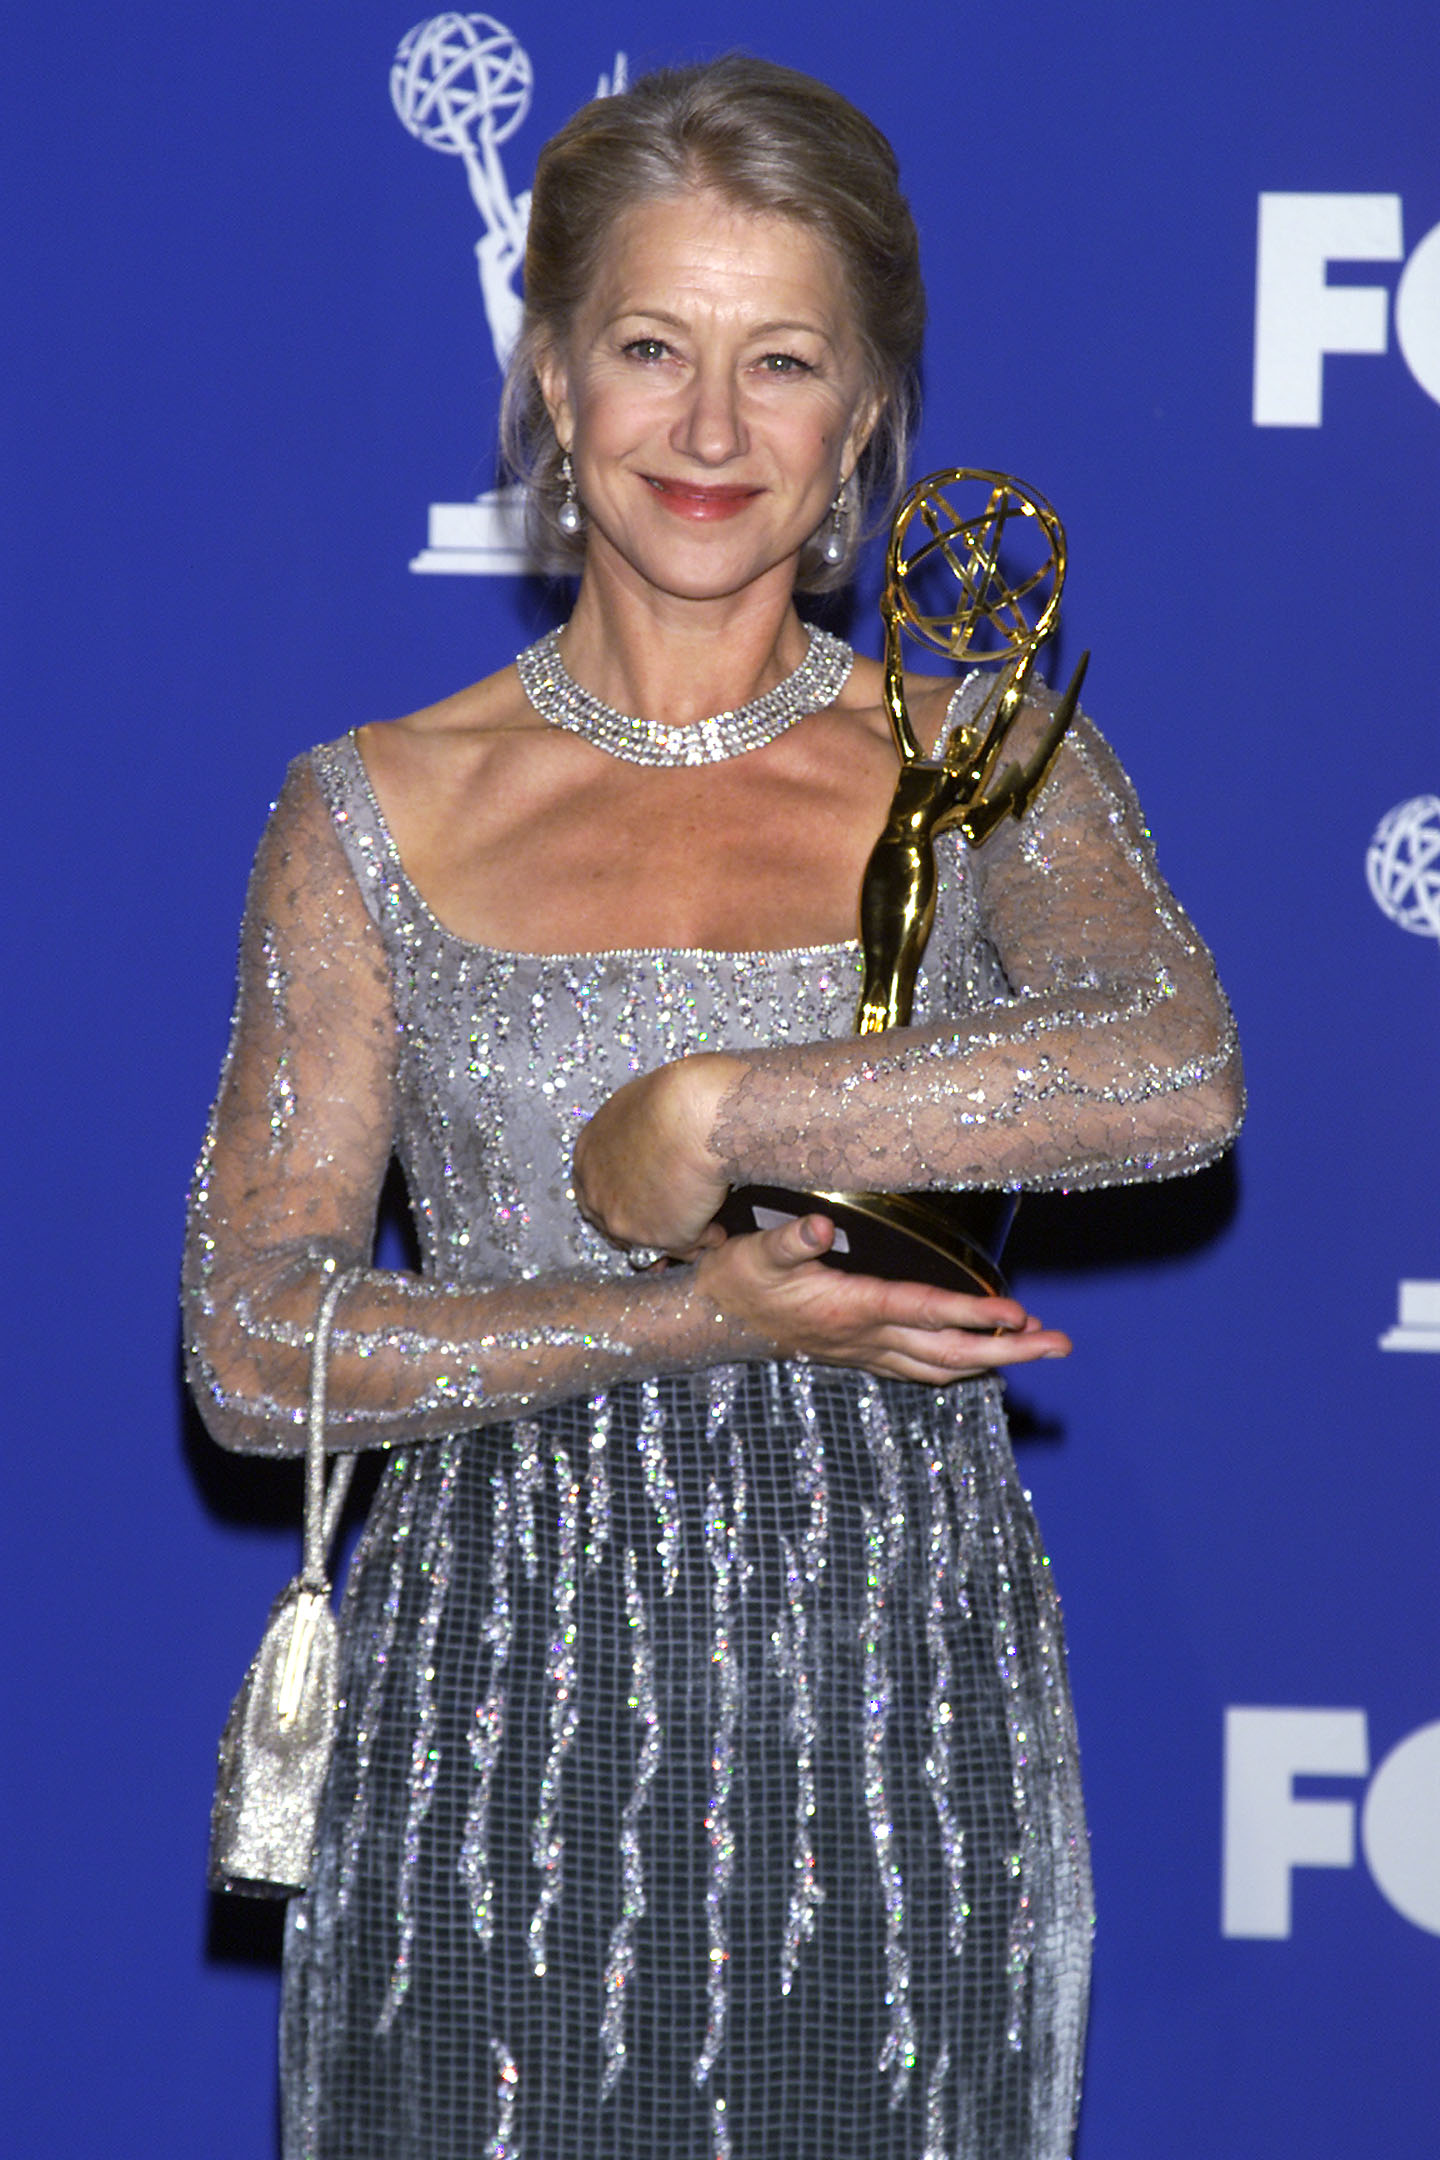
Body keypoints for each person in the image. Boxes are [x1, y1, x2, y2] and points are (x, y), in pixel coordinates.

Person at [185, 55, 1242, 2160]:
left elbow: (1176, 1068)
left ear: (863, 419)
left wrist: (728, 1104)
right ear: (554, 383)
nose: (709, 429)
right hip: (486, 1746)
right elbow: (245, 1344)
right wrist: (691, 1310)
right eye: (653, 349)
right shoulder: (373, 809)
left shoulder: (980, 751)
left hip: (891, 1735)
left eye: (783, 364)